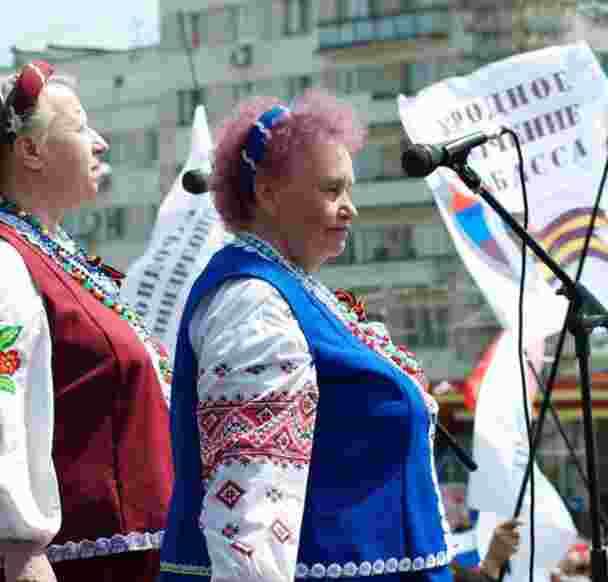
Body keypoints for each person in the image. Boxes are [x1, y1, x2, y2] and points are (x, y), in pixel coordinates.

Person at [159, 89, 452, 582]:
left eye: (349, 191)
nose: (349, 208)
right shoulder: (251, 303)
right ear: (268, 193)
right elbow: (248, 500)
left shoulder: (294, 290)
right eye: (331, 190)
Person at [0, 60, 173, 582]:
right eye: (80, 128)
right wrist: (20, 544)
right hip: (59, 568)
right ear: (30, 151)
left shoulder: (49, 255)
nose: (99, 142)